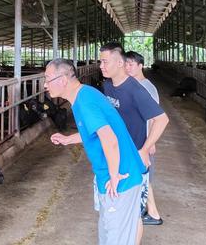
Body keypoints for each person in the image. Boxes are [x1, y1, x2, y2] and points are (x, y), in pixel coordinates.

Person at [46, 58, 146, 245]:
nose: (45, 84)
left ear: (63, 79)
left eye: (48, 78)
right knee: (110, 235)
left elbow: (110, 139)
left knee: (116, 239)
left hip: (120, 181)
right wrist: (69, 139)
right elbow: (95, 132)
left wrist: (114, 175)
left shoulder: (85, 101)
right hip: (112, 177)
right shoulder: (82, 96)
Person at [99, 43, 169, 244]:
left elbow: (162, 119)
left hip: (134, 158)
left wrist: (145, 148)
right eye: (100, 61)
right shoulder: (108, 86)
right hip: (116, 156)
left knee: (134, 211)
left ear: (119, 63)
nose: (101, 65)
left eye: (105, 61)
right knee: (116, 207)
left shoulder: (135, 89)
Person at [124, 51, 163, 225]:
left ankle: (153, 213)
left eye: (131, 64)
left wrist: (150, 144)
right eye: (126, 64)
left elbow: (156, 118)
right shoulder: (133, 85)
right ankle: (150, 212)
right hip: (137, 140)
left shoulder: (147, 87)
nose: (128, 68)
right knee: (142, 175)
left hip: (143, 142)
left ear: (141, 66)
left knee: (143, 176)